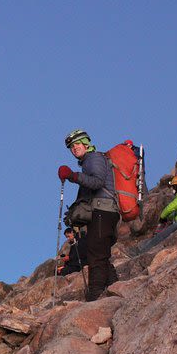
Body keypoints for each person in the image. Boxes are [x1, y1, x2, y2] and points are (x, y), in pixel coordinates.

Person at [58, 129, 119, 301]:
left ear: (86, 143)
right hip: (103, 211)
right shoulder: (89, 161)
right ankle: (114, 287)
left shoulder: (94, 158)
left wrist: (73, 176)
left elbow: (98, 182)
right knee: (100, 252)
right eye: (71, 146)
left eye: (77, 144)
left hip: (103, 211)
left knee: (96, 254)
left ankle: (95, 294)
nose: (74, 148)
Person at [135, 175, 177, 254]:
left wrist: (162, 217)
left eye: (173, 187)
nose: (172, 189)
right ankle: (143, 248)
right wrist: (168, 218)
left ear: (176, 187)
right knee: (164, 233)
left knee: (162, 236)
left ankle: (142, 252)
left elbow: (170, 208)